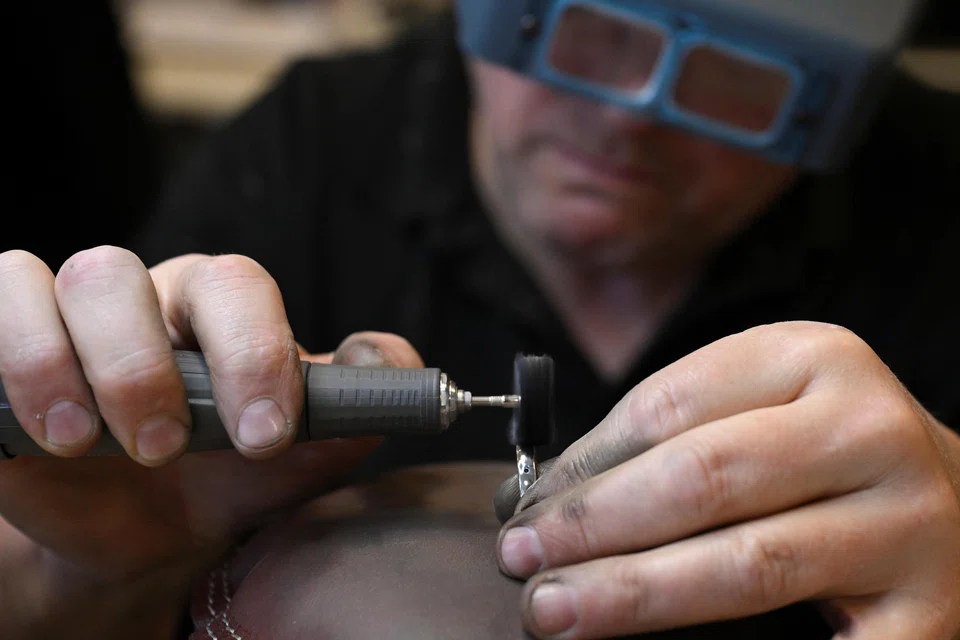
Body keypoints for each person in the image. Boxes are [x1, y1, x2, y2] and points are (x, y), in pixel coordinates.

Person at [1, 4, 958, 640]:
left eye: (734, 73)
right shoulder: (306, 151)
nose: (628, 119)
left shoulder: (937, 200)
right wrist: (78, 579)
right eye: (580, 25)